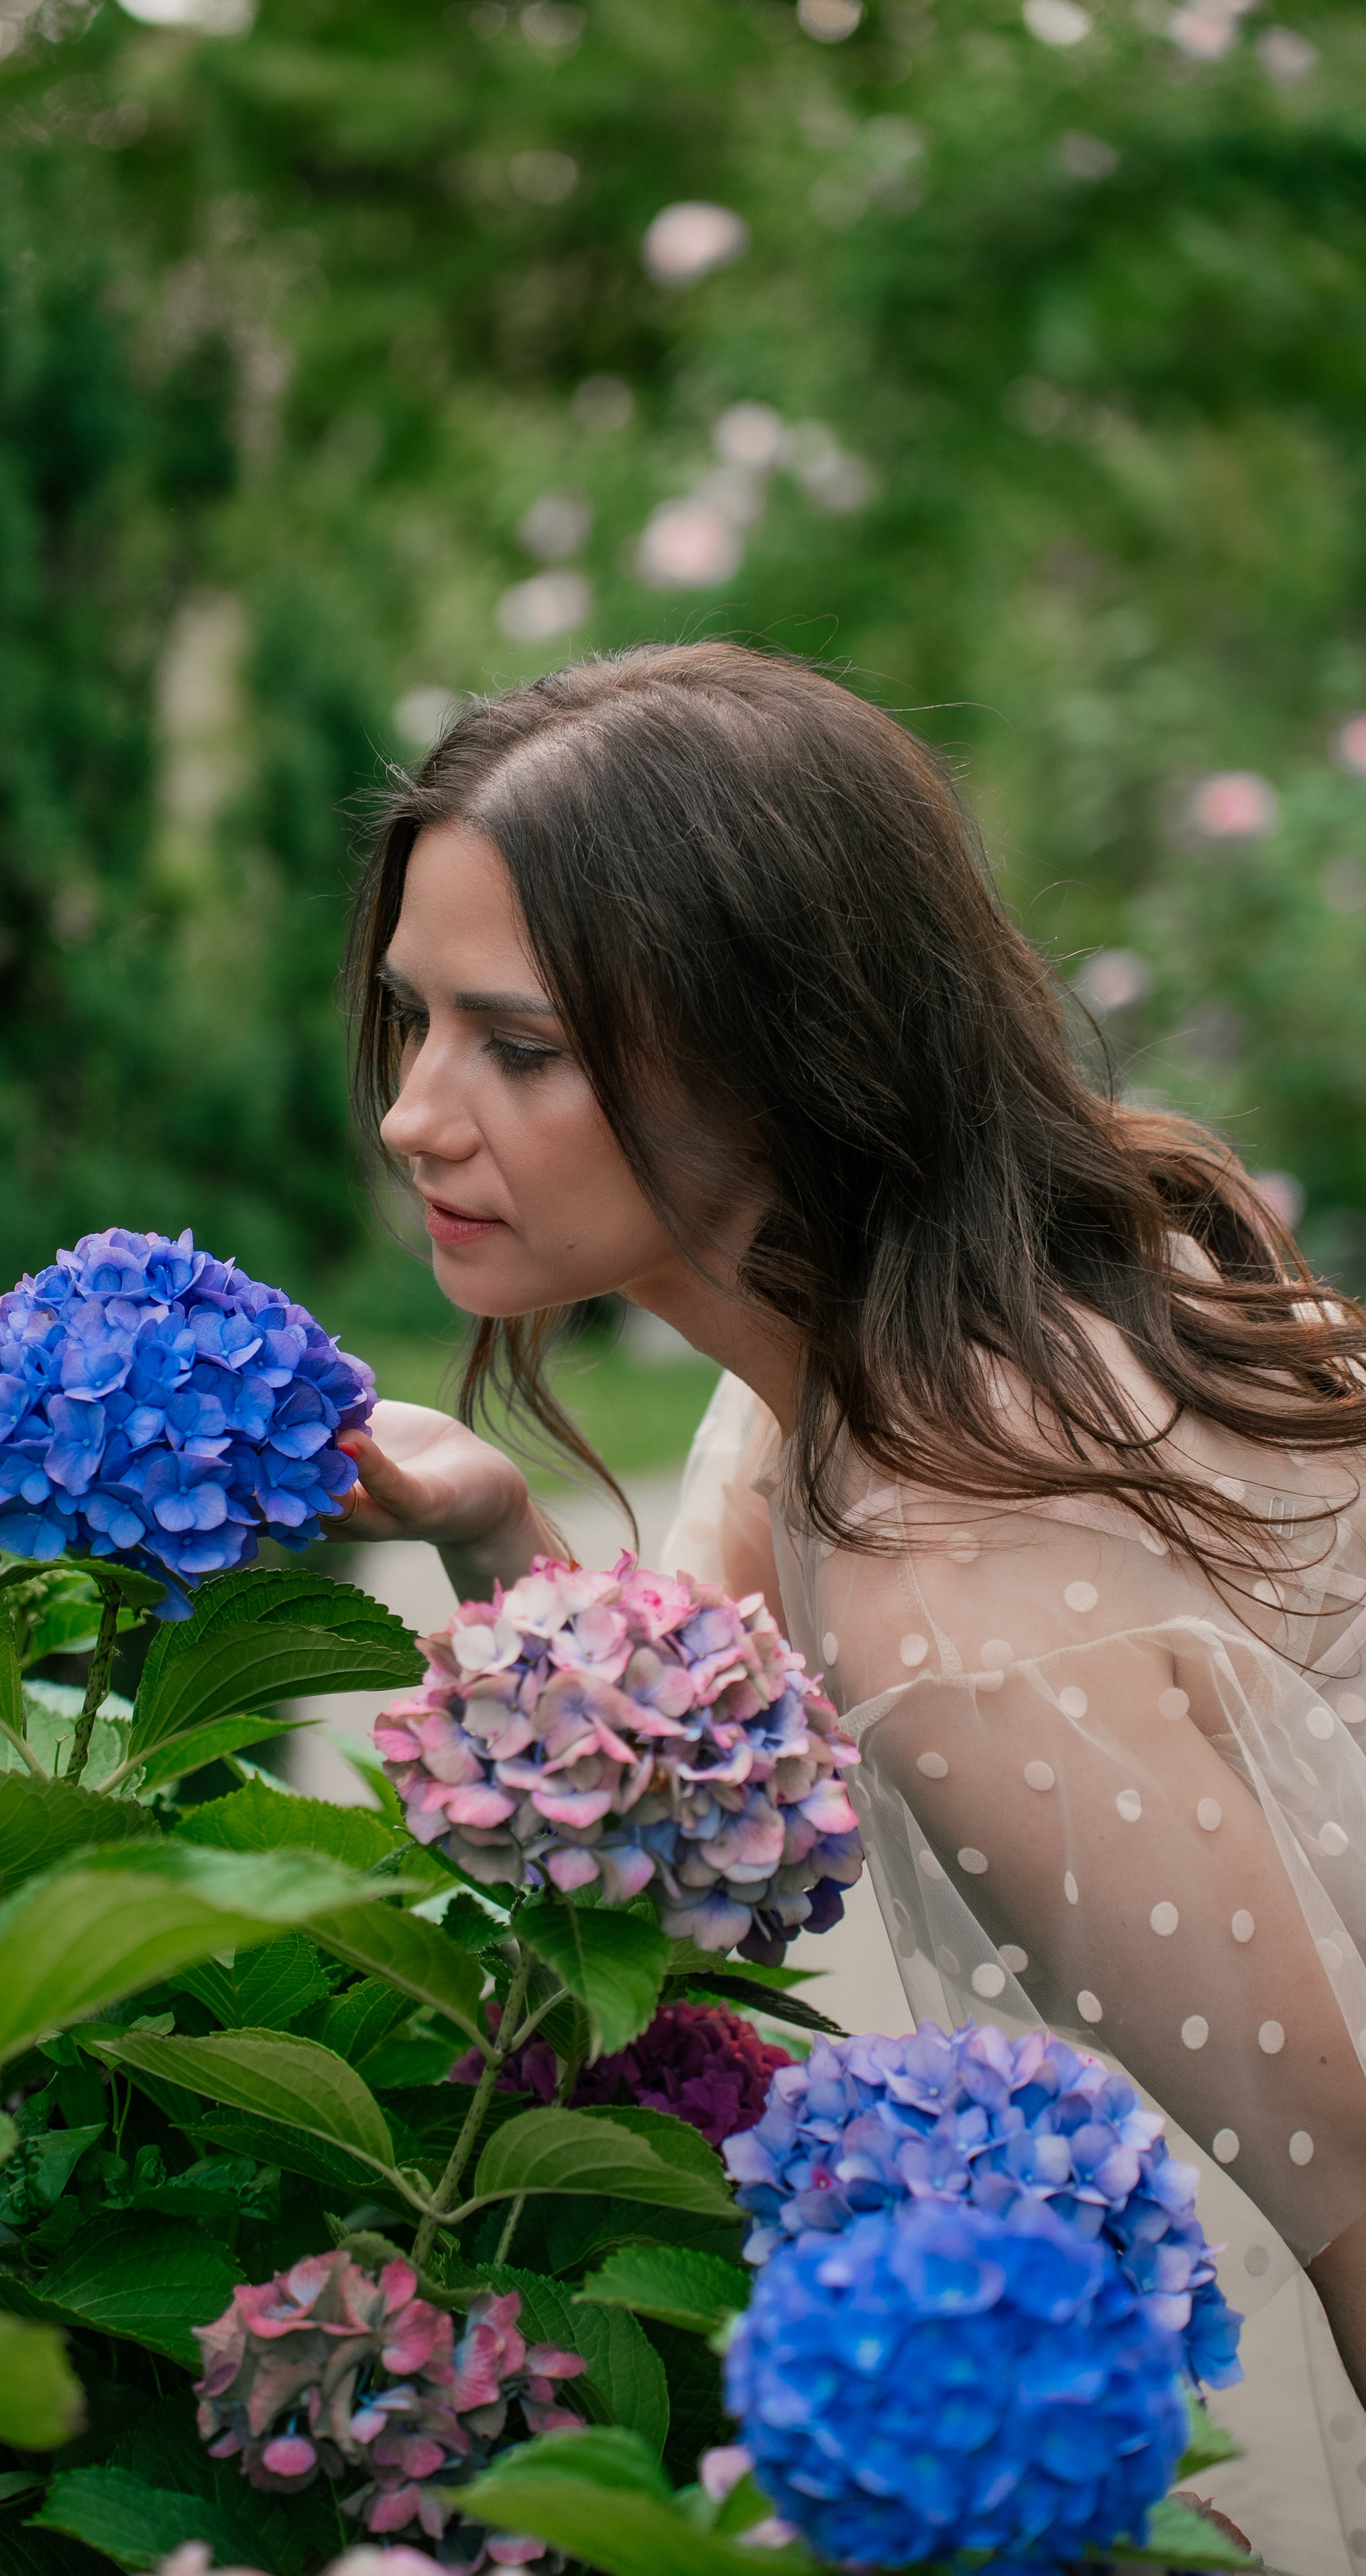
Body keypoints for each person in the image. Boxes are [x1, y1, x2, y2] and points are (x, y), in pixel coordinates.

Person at [327, 640, 1366, 2553]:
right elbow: (673, 1784)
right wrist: (490, 1522)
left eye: (519, 1047)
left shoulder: (957, 1604)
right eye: (415, 1020)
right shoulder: (841, 1365)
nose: (414, 1112)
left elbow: (1358, 2207)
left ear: (776, 1058)